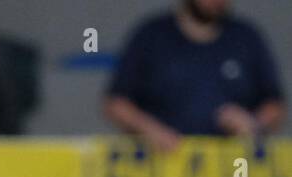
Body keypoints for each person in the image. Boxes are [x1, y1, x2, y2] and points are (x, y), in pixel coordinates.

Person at [105, 0, 283, 152]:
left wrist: (252, 124)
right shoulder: (151, 36)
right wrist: (149, 129)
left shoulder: (247, 38)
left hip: (231, 173)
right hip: (163, 169)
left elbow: (275, 104)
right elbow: (116, 102)